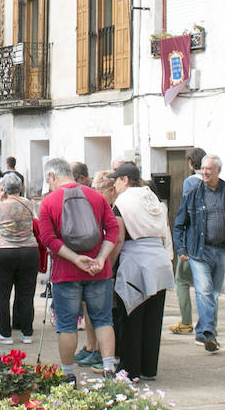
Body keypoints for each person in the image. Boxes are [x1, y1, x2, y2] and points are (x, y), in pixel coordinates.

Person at [35, 157, 122, 380]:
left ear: (51, 177)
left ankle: (68, 374)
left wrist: (74, 258)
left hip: (66, 273)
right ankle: (109, 368)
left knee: (67, 324)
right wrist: (101, 258)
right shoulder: (95, 196)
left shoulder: (48, 202)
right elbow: (113, 229)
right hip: (98, 270)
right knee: (103, 320)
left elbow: (47, 238)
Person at [109, 163, 174, 382]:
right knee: (153, 319)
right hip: (159, 260)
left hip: (135, 261)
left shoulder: (124, 201)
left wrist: (109, 264)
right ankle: (148, 369)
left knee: (131, 317)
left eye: (115, 180)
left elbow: (118, 237)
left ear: (125, 180)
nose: (114, 184)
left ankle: (129, 370)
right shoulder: (153, 198)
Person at [171, 153, 225, 353]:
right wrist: (181, 249)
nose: (205, 172)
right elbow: (179, 224)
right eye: (203, 168)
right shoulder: (193, 194)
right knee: (204, 291)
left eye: (209, 169)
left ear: (218, 170)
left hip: (221, 248)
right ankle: (209, 332)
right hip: (199, 250)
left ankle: (204, 331)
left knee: (214, 293)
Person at [0, 171, 40, 344]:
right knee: (26, 293)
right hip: (29, 251)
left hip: (4, 250)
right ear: (21, 188)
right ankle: (27, 333)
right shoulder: (29, 204)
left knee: (2, 294)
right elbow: (35, 221)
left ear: (3, 189)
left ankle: (5, 334)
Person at [168, 147, 206, 336]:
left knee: (181, 280)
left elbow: (186, 213)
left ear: (191, 162)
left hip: (192, 240)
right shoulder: (216, 182)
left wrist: (181, 242)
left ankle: (186, 321)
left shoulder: (190, 182)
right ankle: (208, 324)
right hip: (211, 242)